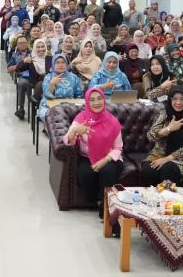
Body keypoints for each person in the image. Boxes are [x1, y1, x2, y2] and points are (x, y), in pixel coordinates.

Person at [63, 87, 123, 221]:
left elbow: (118, 148)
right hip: (87, 157)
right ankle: (95, 199)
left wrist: (104, 161)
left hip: (109, 158)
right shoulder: (81, 118)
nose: (96, 102)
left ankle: (106, 211)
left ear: (104, 99)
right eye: (92, 100)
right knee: (85, 174)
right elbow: (67, 141)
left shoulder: (113, 121)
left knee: (108, 172)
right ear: (87, 102)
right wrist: (76, 131)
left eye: (99, 98)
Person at [140, 87, 183, 186]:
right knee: (148, 170)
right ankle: (152, 199)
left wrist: (166, 159)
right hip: (160, 154)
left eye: (182, 99)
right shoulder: (165, 114)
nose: (178, 102)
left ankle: (170, 200)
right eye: (174, 99)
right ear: (170, 99)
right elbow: (150, 136)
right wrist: (168, 129)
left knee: (168, 168)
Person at [39, 53, 83, 120]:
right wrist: (52, 84)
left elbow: (79, 95)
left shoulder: (73, 77)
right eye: (57, 63)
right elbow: (47, 96)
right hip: (49, 106)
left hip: (69, 106)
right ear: (53, 64)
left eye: (63, 62)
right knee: (53, 117)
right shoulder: (48, 77)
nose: (60, 65)